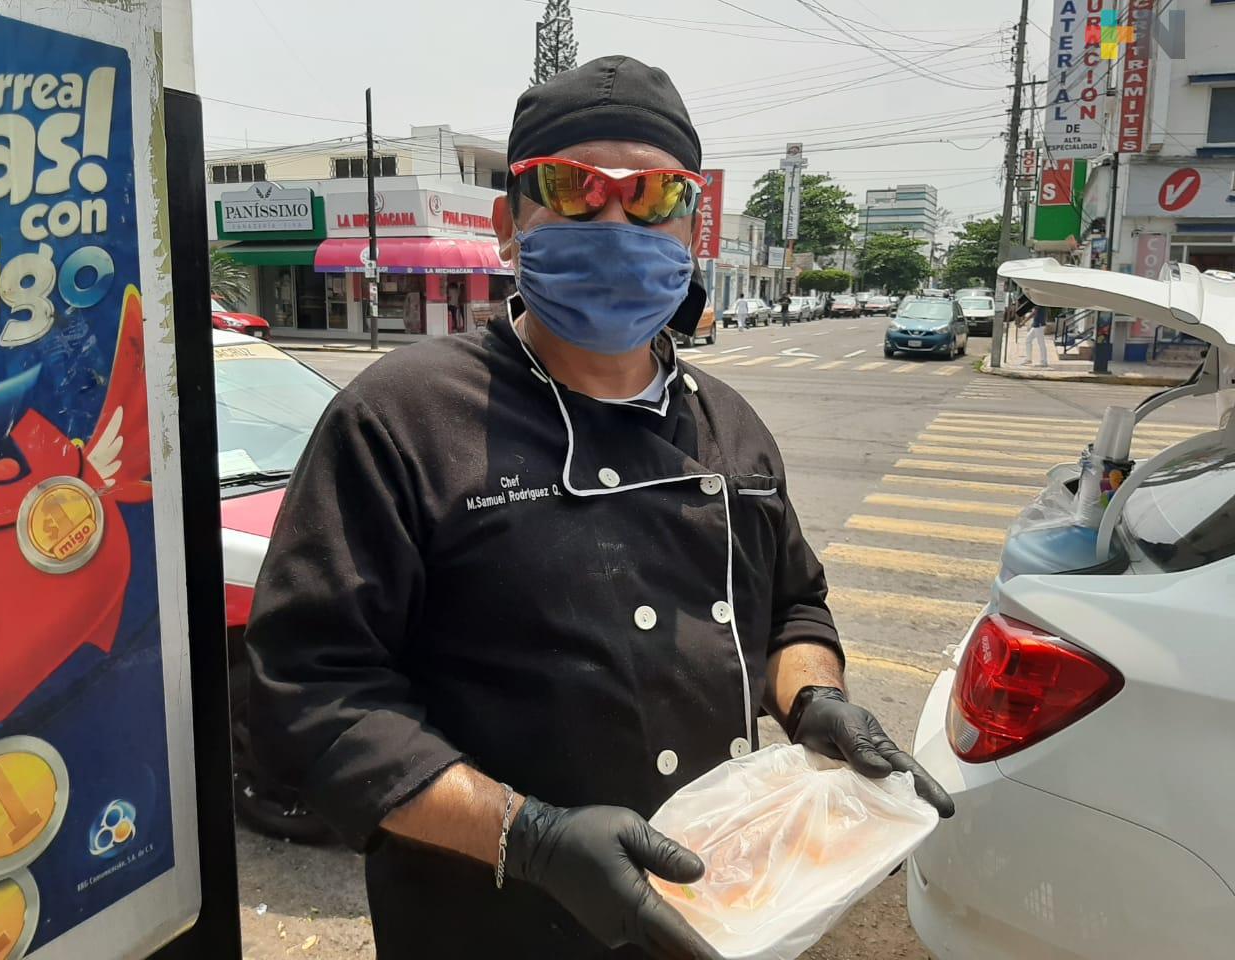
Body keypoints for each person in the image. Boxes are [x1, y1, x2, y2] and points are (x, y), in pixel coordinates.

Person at [245, 55, 953, 960]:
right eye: (574, 189)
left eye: (653, 196)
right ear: (510, 224)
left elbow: (793, 608)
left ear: (692, 222)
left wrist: (813, 699)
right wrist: (526, 836)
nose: (615, 219)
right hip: (487, 926)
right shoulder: (403, 418)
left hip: (717, 913)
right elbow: (312, 691)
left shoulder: (730, 426)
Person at [1022, 302, 1050, 367]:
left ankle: (1044, 361)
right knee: (1028, 340)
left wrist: (1023, 322)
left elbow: (1033, 313)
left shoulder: (1039, 302)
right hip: (1036, 325)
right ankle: (1028, 359)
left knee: (1041, 343)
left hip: (1039, 325)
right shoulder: (1038, 301)